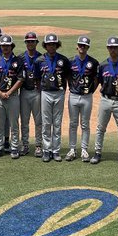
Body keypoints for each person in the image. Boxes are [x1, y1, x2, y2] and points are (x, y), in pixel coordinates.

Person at [90, 37, 118, 167]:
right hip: (105, 100)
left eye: (115, 47)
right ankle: (97, 152)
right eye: (110, 47)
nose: (113, 49)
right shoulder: (102, 65)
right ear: (107, 48)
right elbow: (98, 82)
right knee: (100, 128)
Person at [36, 33, 71, 162]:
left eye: (53, 44)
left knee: (57, 123)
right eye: (49, 44)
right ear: (45, 46)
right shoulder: (39, 60)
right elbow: (37, 78)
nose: (51, 46)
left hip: (59, 93)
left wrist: (63, 90)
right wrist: (42, 90)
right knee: (46, 123)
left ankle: (55, 150)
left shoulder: (63, 60)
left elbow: (67, 77)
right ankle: (47, 150)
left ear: (57, 45)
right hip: (46, 92)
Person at [65, 36, 99, 162]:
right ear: (77, 46)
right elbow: (67, 76)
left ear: (88, 47)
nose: (82, 47)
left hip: (87, 97)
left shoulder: (93, 62)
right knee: (73, 124)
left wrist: (91, 90)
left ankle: (84, 150)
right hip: (73, 95)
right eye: (80, 45)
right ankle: (72, 149)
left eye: (84, 46)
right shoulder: (70, 61)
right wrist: (72, 86)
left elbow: (96, 79)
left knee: (85, 124)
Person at [0, 36, 23, 159]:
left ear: (11, 46)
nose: (5, 48)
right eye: (3, 46)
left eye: (7, 45)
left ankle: (14, 148)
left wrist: (9, 92)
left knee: (14, 124)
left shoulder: (18, 61)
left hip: (12, 96)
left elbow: (20, 79)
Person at [20, 31, 43, 157]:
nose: (30, 43)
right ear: (25, 43)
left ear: (36, 43)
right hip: (24, 91)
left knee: (38, 120)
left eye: (32, 41)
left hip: (37, 92)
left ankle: (38, 145)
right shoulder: (20, 58)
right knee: (24, 120)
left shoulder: (41, 58)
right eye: (28, 41)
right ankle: (25, 144)